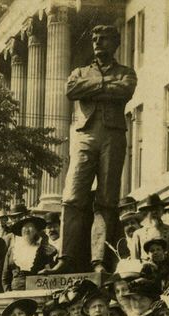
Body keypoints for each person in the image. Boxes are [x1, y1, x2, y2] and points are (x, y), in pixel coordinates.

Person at [58, 24, 137, 273]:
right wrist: (106, 85)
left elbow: (124, 90)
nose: (98, 42)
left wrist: (91, 88)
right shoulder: (80, 71)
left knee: (106, 199)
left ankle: (100, 260)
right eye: (94, 38)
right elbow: (71, 90)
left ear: (115, 44)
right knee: (72, 196)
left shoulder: (126, 72)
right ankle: (65, 258)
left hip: (112, 136)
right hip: (85, 135)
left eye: (104, 39)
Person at [2, 212, 60, 291]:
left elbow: (49, 273)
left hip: (36, 290)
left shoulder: (43, 249)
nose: (27, 229)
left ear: (36, 231)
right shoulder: (12, 250)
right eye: (24, 227)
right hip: (15, 292)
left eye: (30, 227)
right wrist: (8, 292)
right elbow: (5, 276)